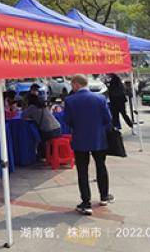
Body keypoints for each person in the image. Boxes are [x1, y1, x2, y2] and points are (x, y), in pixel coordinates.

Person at [63, 74, 113, 216]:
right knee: (101, 166)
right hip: (98, 138)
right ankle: (104, 196)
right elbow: (108, 118)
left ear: (76, 84)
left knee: (82, 171)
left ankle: (86, 202)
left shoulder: (70, 100)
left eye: (72, 85)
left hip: (80, 139)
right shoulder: (100, 98)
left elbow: (68, 121)